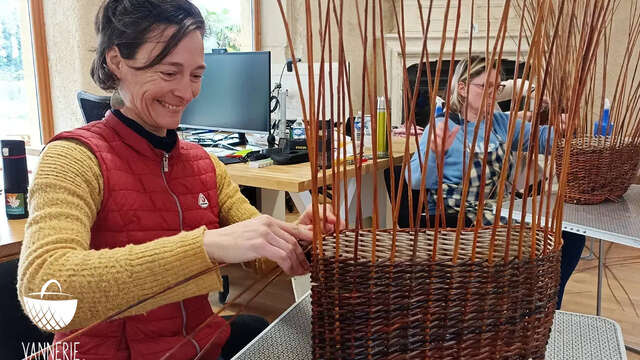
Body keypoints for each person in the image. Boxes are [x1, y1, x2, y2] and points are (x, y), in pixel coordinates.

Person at [17, 1, 341, 360]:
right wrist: (207, 246)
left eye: (197, 75)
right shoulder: (74, 159)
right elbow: (43, 290)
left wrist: (297, 237)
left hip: (199, 349)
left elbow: (257, 253)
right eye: (169, 73)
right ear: (117, 62)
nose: (186, 92)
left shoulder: (203, 164)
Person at [408, 56, 585, 309]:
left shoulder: (500, 124)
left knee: (571, 231)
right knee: (535, 237)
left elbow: (544, 140)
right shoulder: (440, 126)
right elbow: (414, 180)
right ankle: (519, 305)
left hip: (497, 207)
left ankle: (548, 305)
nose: (493, 95)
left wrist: (564, 126)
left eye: (497, 88)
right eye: (486, 87)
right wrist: (433, 154)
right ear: (462, 87)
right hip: (456, 215)